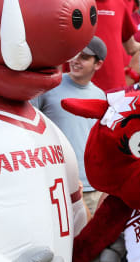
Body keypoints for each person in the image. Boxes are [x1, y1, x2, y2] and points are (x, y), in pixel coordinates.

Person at [31, 37, 106, 213]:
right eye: (74, 55)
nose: (76, 60)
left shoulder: (101, 96)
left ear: (98, 64)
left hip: (91, 188)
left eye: (84, 57)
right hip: (56, 185)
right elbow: (29, 129)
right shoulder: (49, 86)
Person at [86, 0, 140, 91]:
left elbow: (132, 47)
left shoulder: (119, 4)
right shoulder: (79, 2)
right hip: (84, 85)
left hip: (115, 84)